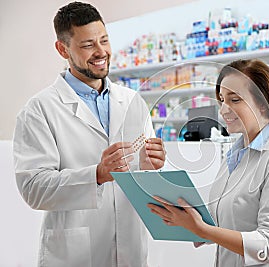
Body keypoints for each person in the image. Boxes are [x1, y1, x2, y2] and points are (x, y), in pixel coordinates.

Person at [13, 2, 165, 266]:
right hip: (74, 254)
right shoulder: (39, 110)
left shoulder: (132, 102)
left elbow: (143, 179)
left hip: (131, 248)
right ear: (63, 49)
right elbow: (33, 188)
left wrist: (150, 167)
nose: (101, 52)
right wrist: (96, 175)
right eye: (87, 45)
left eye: (104, 40)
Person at [148, 59, 269, 266]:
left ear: (263, 103)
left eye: (235, 100)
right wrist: (186, 220)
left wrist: (202, 229)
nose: (223, 110)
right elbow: (227, 223)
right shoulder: (234, 156)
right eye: (222, 99)